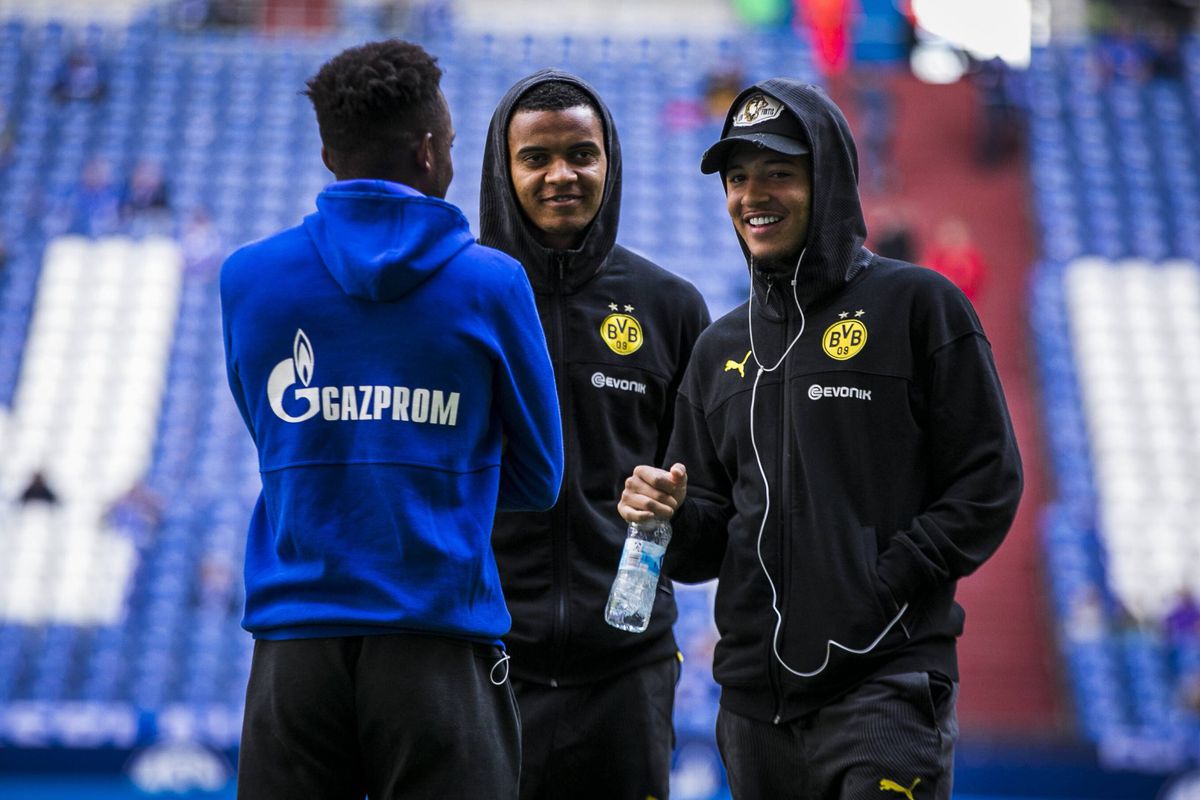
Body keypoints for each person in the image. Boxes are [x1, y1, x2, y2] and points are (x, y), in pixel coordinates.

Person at [618, 80, 1023, 799]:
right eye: (738, 178)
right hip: (751, 709)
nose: (752, 195)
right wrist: (666, 518)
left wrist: (888, 581)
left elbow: (988, 479)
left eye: (778, 172)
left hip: (885, 687)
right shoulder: (717, 349)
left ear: (828, 178)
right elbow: (702, 547)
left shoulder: (918, 306)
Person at [219, 40, 564, 800]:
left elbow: (275, 435)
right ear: (432, 148)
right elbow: (540, 478)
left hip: (293, 654)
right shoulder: (492, 283)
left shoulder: (247, 277)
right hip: (437, 646)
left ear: (326, 153)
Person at [479, 70, 711, 800]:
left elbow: (716, 503)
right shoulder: (458, 298)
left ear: (609, 160)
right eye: (536, 158)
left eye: (581, 154)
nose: (561, 175)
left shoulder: (670, 306)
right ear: (502, 167)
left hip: (627, 671)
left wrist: (677, 507)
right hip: (481, 664)